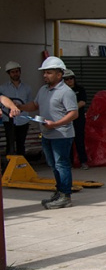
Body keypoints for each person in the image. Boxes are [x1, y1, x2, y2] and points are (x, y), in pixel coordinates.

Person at [18, 56, 79, 209]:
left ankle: (65, 196)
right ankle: (59, 192)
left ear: (59, 74)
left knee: (61, 165)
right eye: (44, 73)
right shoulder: (43, 90)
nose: (45, 75)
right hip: (47, 134)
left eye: (49, 72)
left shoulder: (66, 92)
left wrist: (55, 124)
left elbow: (74, 113)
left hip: (61, 135)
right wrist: (20, 107)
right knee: (53, 165)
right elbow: (35, 104)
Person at [0, 61, 33, 158]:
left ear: (20, 72)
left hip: (23, 119)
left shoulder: (27, 88)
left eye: (17, 71)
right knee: (10, 144)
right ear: (9, 74)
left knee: (21, 144)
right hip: (8, 120)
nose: (15, 74)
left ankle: (21, 165)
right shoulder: (3, 88)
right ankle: (9, 165)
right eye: (13, 72)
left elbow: (30, 103)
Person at [63, 69, 89, 169]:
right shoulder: (62, 91)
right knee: (67, 141)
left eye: (71, 78)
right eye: (66, 79)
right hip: (66, 119)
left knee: (79, 140)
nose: (69, 81)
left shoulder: (80, 89)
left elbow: (82, 102)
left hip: (78, 119)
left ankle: (83, 161)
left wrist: (72, 109)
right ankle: (69, 162)